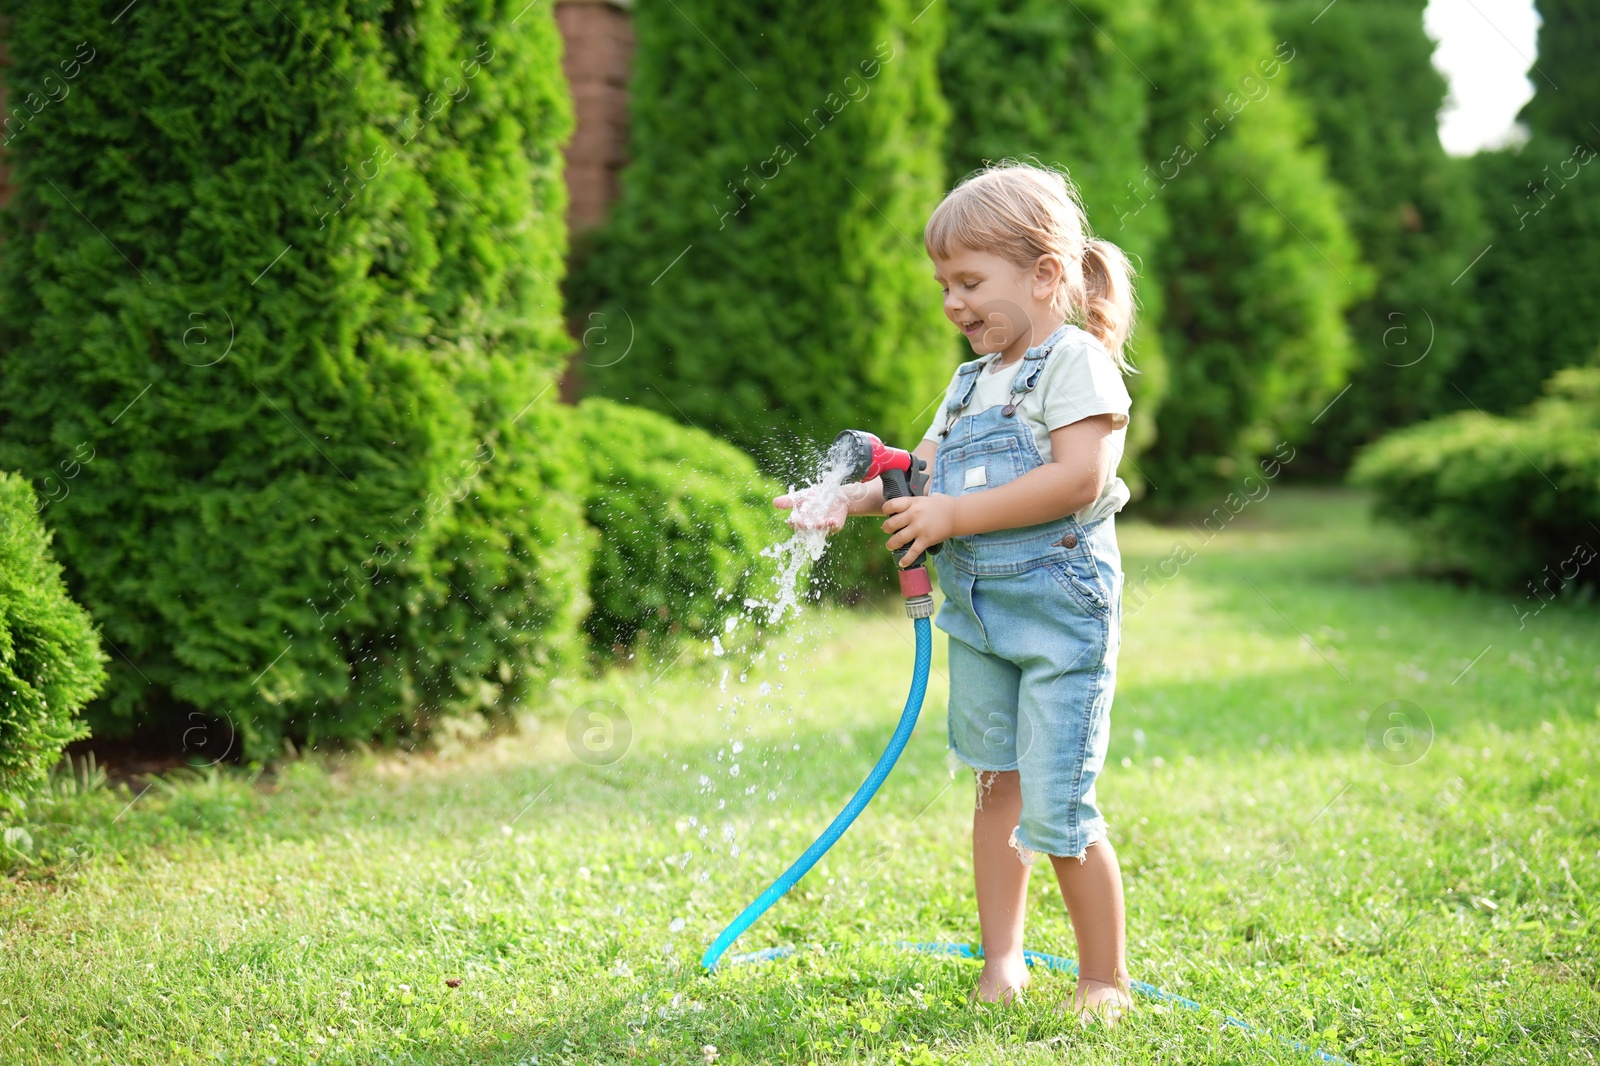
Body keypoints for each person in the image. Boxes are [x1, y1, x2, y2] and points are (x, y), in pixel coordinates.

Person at [775, 161, 1138, 1024]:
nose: (952, 302)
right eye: (945, 283)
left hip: (1059, 620)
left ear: (1046, 276)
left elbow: (1078, 479)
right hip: (979, 620)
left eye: (970, 281)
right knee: (994, 784)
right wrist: (849, 500)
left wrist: (953, 516)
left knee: (1059, 798)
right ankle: (1002, 960)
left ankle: (1103, 980)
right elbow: (924, 476)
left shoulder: (1074, 363)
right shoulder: (970, 382)